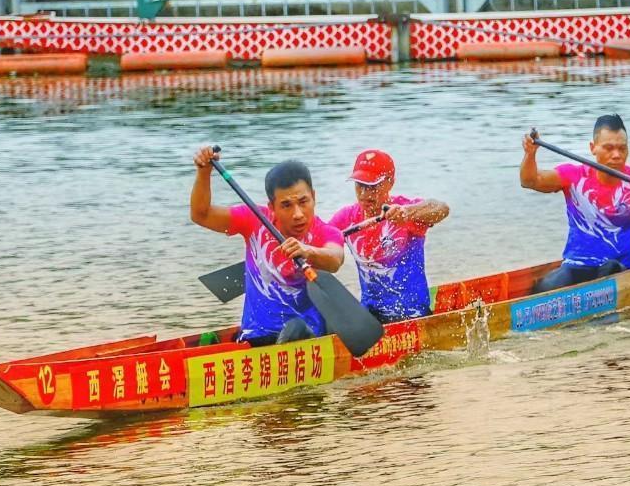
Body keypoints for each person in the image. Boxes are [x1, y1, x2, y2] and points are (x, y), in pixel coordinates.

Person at [190, 146, 344, 345]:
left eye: (303, 201)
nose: (298, 214)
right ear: (272, 206)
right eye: (286, 205)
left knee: (295, 328)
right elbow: (200, 215)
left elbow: (335, 259)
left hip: (304, 337)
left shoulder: (326, 232)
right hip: (256, 336)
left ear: (313, 197)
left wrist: (308, 251)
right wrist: (204, 173)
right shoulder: (255, 219)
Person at [520, 114, 630, 294]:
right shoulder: (573, 176)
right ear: (593, 148)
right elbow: (530, 181)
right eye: (609, 148)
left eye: (622, 149)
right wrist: (530, 154)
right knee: (544, 287)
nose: (616, 155)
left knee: (610, 269)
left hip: (617, 271)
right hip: (577, 267)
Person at [329, 149, 450, 323]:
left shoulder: (404, 210)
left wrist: (407, 213)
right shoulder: (347, 218)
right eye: (359, 185)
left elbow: (441, 208)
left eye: (372, 186)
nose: (364, 193)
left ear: (390, 183)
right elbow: (319, 237)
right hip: (371, 316)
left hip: (411, 315)